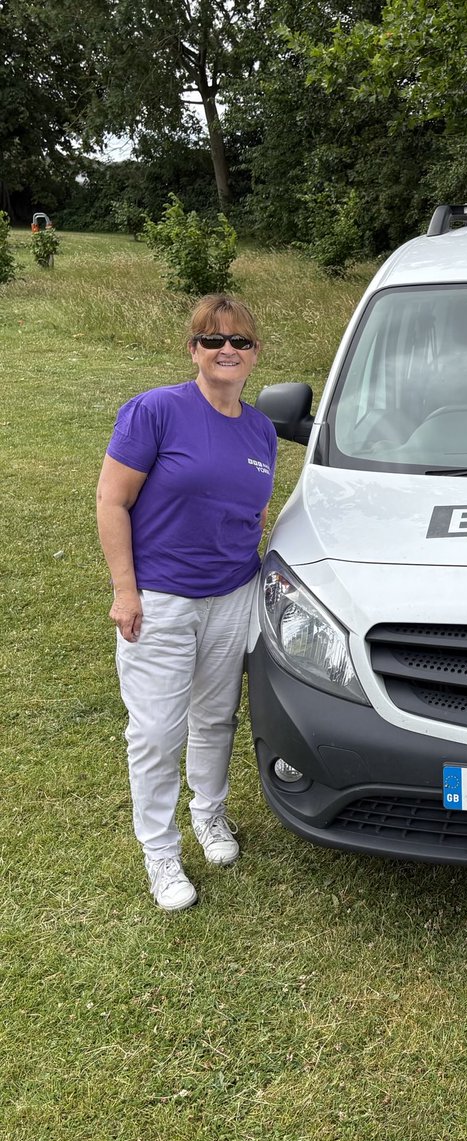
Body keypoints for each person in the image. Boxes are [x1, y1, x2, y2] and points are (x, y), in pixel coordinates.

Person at [96, 295, 277, 911]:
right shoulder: (156, 412)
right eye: (212, 339)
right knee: (155, 732)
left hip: (233, 595)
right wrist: (126, 589)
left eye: (240, 341)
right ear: (193, 348)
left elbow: (250, 510)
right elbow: (112, 501)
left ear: (255, 353)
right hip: (163, 600)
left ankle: (210, 816)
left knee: (215, 717)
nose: (226, 350)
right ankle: (161, 853)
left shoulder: (259, 429)